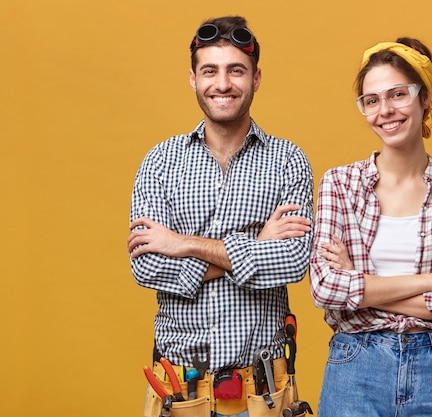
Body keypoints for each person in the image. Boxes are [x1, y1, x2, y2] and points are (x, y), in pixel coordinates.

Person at [127, 16, 313, 417]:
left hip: (264, 393)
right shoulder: (160, 162)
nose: (223, 84)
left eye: (236, 71)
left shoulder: (288, 161)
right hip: (180, 395)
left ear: (256, 78)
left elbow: (295, 260)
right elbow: (147, 267)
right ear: (193, 78)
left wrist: (184, 244)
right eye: (209, 70)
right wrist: (258, 246)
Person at [309, 37, 432, 417]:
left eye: (397, 95)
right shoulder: (339, 184)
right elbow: (325, 287)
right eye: (371, 100)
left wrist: (358, 283)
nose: (385, 111)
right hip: (355, 364)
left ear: (424, 98)